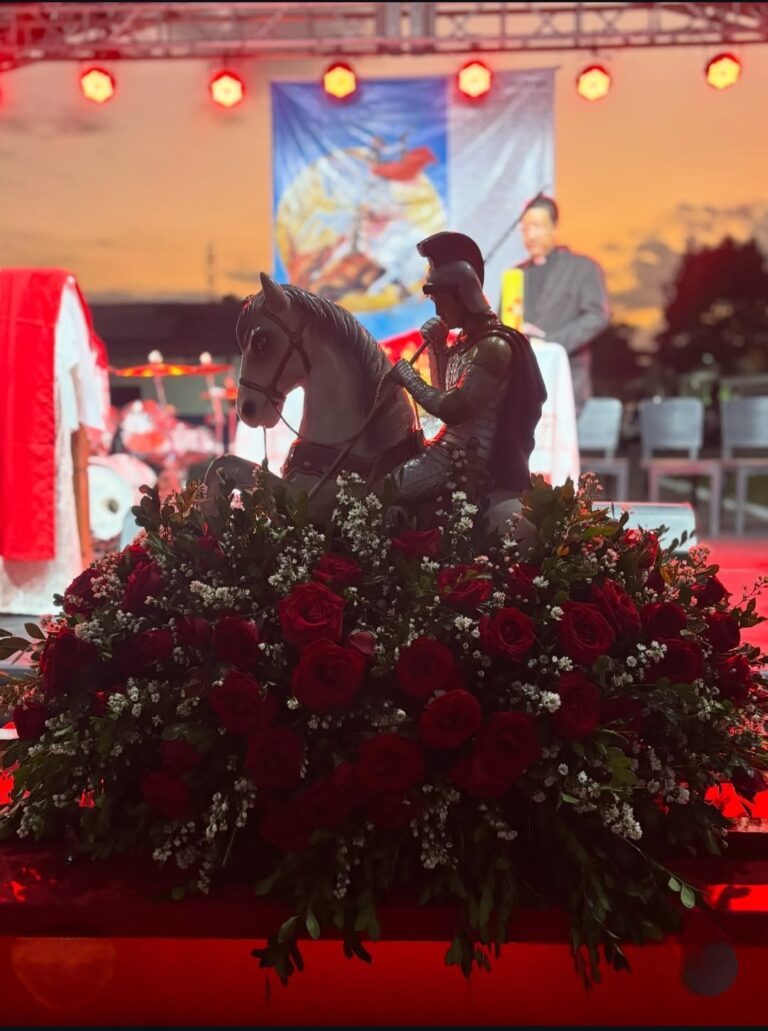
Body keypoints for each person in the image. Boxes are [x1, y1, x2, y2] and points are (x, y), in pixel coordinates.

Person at [386, 231, 547, 503]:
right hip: (445, 449)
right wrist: (438, 348)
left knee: (385, 492)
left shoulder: (493, 346)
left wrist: (409, 378)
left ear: (462, 296)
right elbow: (443, 390)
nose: (438, 313)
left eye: (441, 302)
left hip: (465, 459)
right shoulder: (466, 342)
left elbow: (454, 408)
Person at [516, 195, 609, 413]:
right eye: (525, 229)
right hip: (522, 384)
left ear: (554, 228)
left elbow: (597, 316)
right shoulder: (516, 274)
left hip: (566, 378)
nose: (531, 235)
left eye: (537, 227)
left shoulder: (583, 268)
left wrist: (548, 342)